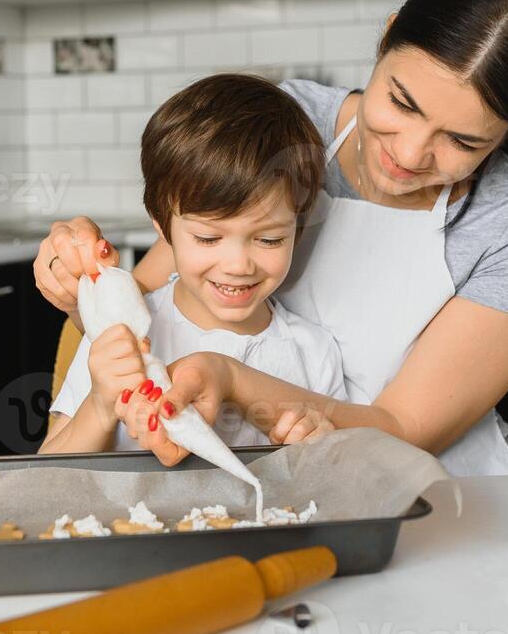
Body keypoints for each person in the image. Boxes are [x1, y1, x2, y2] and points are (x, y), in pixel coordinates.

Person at [34, 0, 508, 476]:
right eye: (402, 103)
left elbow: (404, 430)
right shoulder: (288, 127)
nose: (409, 155)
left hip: (438, 493)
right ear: (387, 36)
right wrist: (82, 281)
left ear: (507, 131)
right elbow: (153, 307)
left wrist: (235, 382)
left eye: (462, 140)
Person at [41, 73, 347, 454]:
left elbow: (336, 481)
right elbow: (47, 472)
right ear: (163, 227)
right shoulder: (120, 336)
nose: (238, 265)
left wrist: (318, 451)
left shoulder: (313, 354)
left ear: (298, 229)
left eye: (270, 239)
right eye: (207, 238)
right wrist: (101, 403)